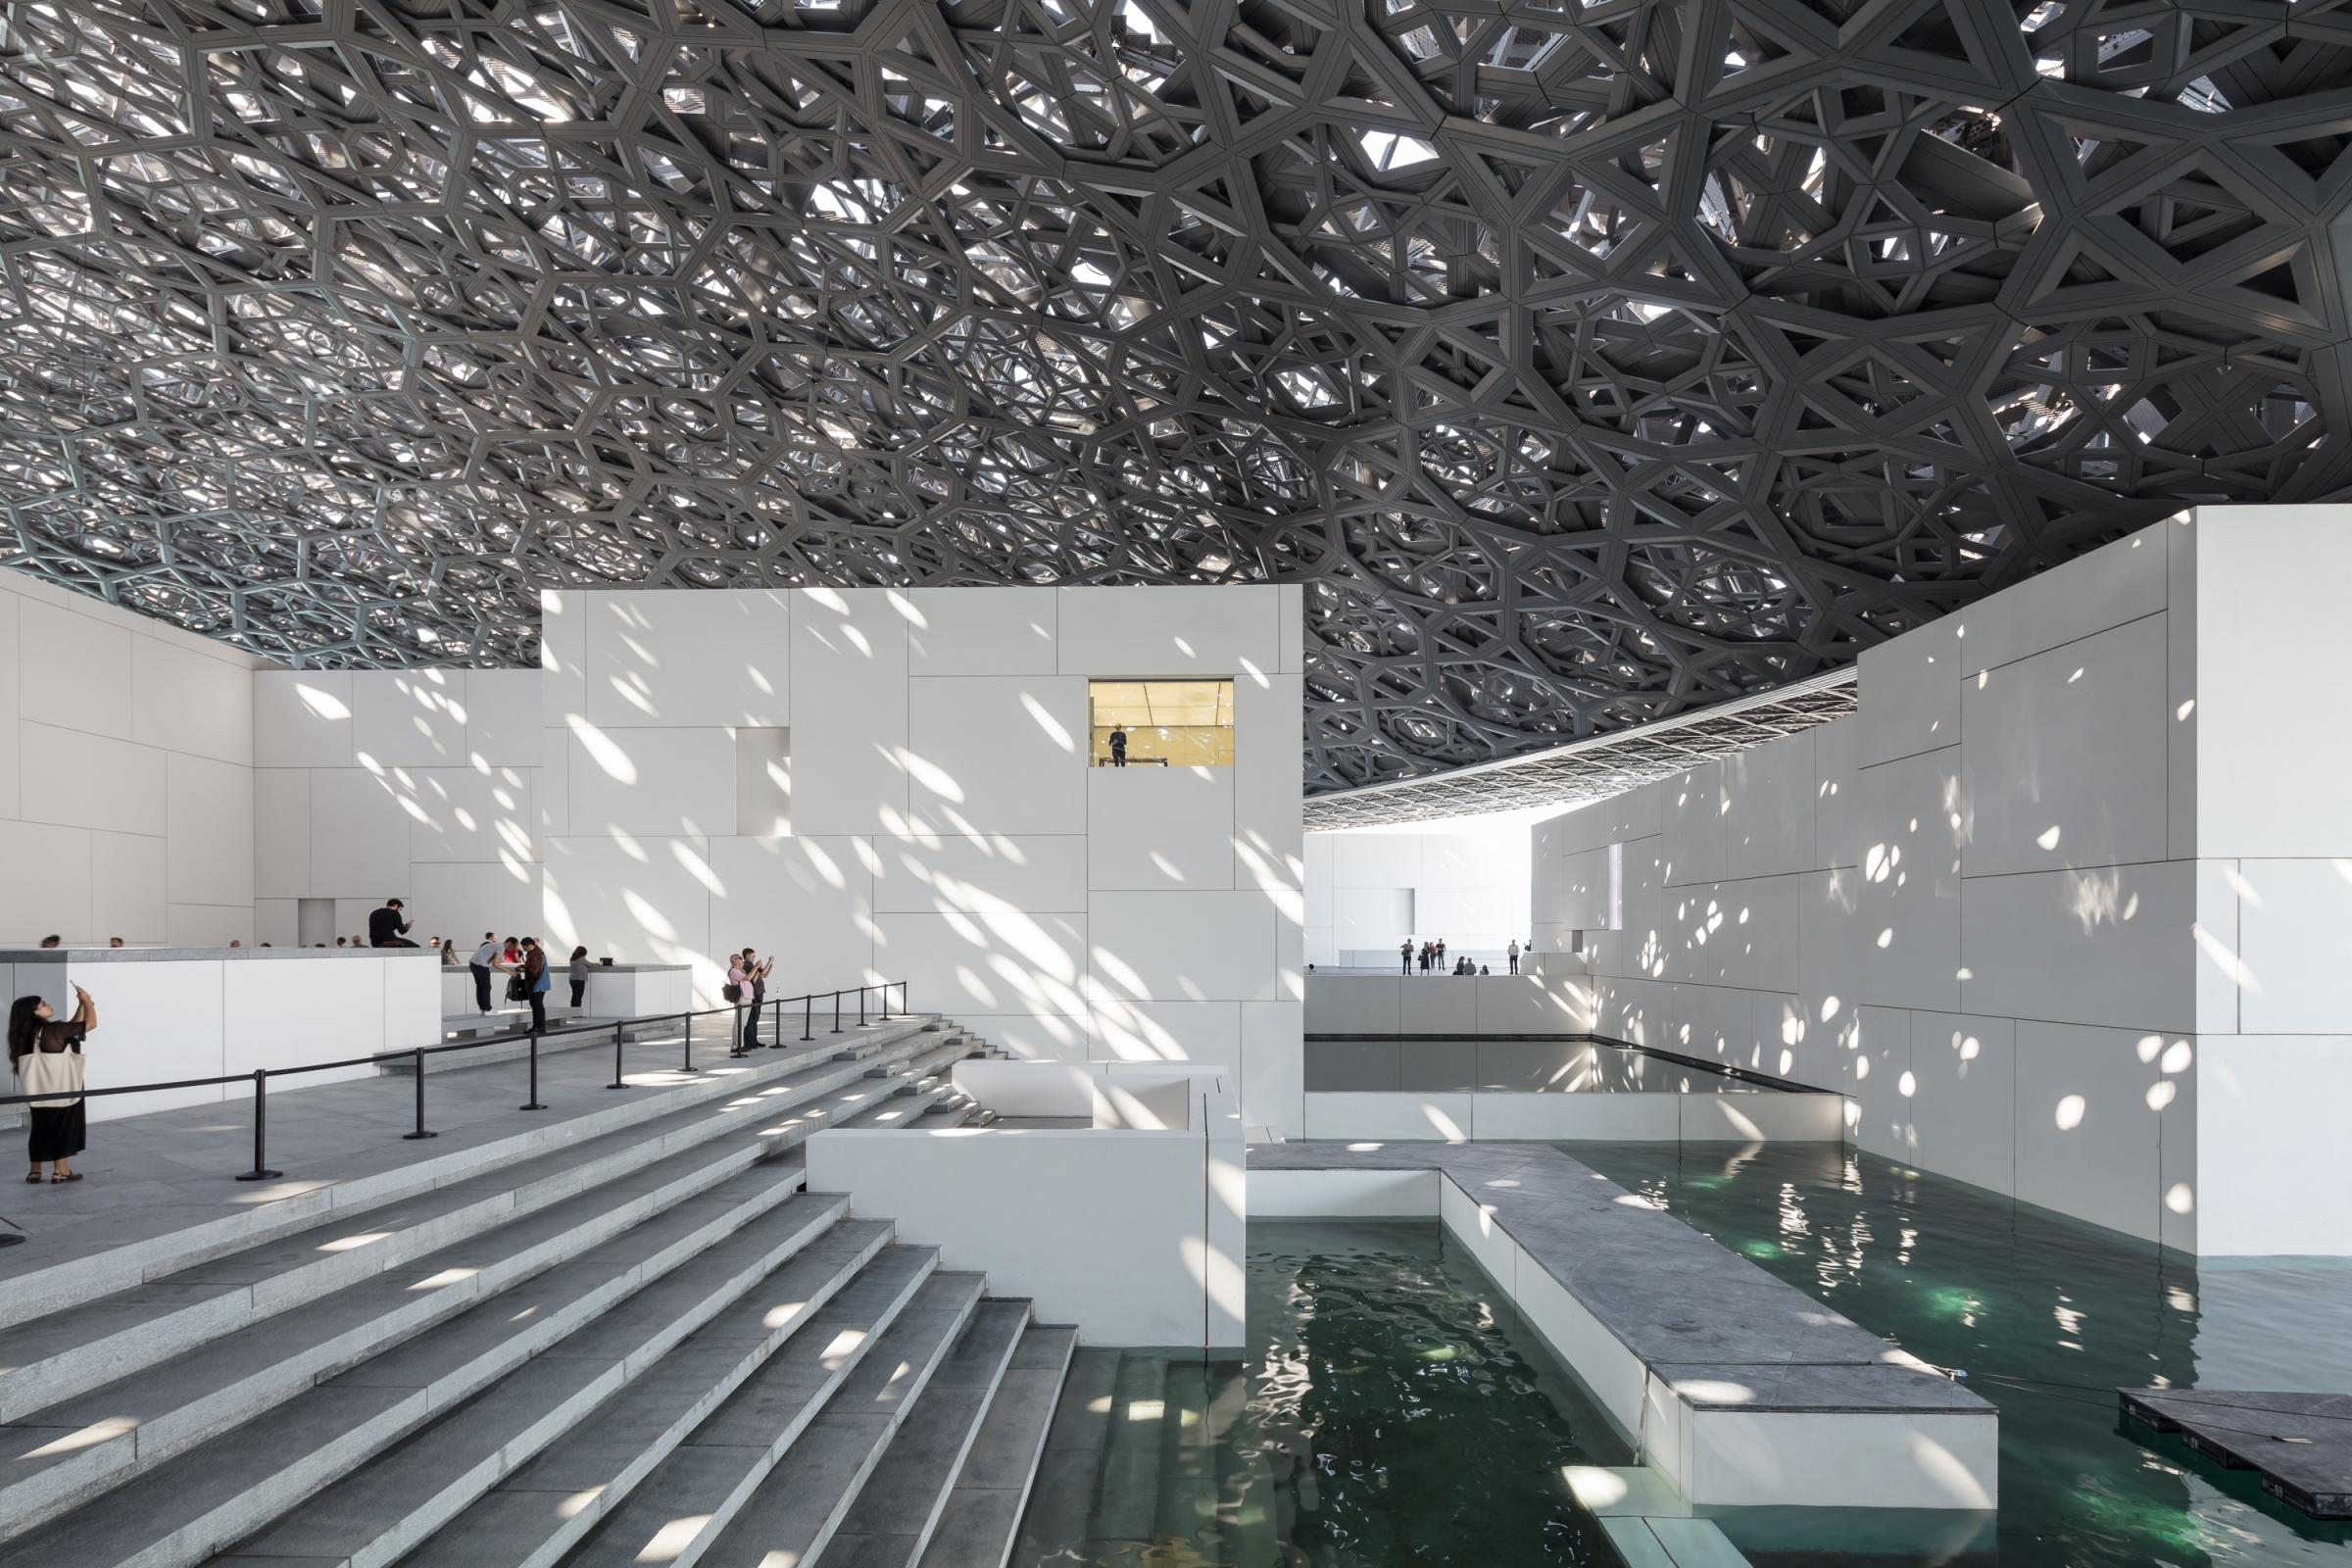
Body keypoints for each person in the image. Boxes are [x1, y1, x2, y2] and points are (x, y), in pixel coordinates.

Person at [10, 984, 95, 1183]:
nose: (48, 1005)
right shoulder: (53, 1029)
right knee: (64, 1127)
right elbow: (89, 1024)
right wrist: (89, 1002)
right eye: (43, 1004)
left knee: (40, 1128)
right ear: (34, 1012)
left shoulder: (26, 1035)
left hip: (39, 1090)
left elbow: (72, 1027)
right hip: (62, 1086)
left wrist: (81, 1003)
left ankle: (35, 1171)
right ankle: (60, 1171)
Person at [520, 938, 550, 1032]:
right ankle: (536, 1026)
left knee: (537, 1005)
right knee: (535, 1005)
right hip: (537, 983)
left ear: (530, 945)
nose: (524, 950)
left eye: (524, 948)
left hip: (538, 983)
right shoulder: (534, 953)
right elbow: (532, 967)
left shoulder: (536, 954)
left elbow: (534, 971)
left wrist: (524, 969)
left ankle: (540, 1027)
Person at [468, 933, 499, 1016]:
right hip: (481, 966)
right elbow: (495, 962)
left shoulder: (483, 944)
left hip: (474, 965)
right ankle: (487, 1009)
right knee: (486, 987)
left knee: (480, 987)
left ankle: (483, 1008)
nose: (496, 938)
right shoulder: (490, 944)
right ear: (490, 937)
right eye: (495, 936)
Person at [567, 946, 590, 1010]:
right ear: (583, 953)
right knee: (579, 996)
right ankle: (577, 1014)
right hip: (579, 980)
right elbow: (590, 965)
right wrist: (598, 964)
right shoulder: (582, 959)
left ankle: (573, 1012)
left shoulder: (572, 958)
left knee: (574, 995)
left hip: (572, 979)